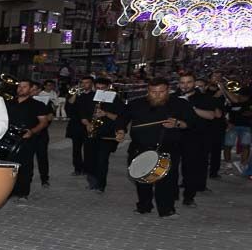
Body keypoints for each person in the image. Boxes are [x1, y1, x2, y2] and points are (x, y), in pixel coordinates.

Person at [117, 78, 195, 218]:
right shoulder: (136, 104)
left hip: (168, 148)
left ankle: (166, 209)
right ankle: (144, 206)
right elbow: (122, 119)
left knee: (167, 180)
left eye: (161, 92)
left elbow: (190, 123)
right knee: (142, 179)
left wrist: (177, 123)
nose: (158, 95)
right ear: (148, 91)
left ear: (168, 90)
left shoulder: (179, 104)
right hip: (140, 147)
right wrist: (120, 131)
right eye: (153, 92)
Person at [175, 72, 219, 205]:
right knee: (171, 168)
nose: (185, 85)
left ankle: (189, 196)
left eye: (188, 82)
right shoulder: (172, 97)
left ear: (194, 83)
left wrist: (191, 107)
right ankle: (172, 194)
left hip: (195, 138)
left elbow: (211, 116)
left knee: (190, 169)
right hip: (174, 137)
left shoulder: (204, 98)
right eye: (182, 82)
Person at [7, 79, 52, 202]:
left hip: (27, 140)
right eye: (19, 87)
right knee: (9, 166)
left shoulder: (37, 105)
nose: (20, 89)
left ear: (30, 89)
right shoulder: (9, 103)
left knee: (25, 166)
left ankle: (23, 193)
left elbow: (44, 122)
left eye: (24, 87)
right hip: (9, 140)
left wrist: (31, 132)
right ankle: (9, 191)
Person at [83, 76, 124, 194]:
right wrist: (87, 124)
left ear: (108, 88)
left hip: (107, 135)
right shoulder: (89, 97)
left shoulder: (115, 99)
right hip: (92, 133)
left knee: (102, 160)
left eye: (103, 88)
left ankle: (101, 185)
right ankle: (92, 182)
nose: (100, 91)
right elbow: (82, 114)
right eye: (97, 88)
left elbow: (120, 117)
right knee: (89, 159)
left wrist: (105, 113)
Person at [66, 75, 96, 175]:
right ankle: (77, 169)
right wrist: (76, 93)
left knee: (89, 149)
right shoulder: (77, 94)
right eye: (82, 83)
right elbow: (70, 104)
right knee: (76, 149)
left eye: (87, 82)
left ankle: (88, 169)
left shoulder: (95, 95)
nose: (84, 85)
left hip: (90, 124)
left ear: (92, 84)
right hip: (76, 125)